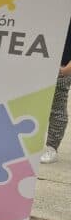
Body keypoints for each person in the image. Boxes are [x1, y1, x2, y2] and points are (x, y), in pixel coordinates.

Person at [40, 17, 71, 163]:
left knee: (56, 108)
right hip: (41, 59)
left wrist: (66, 69)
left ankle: (52, 148)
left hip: (61, 66)